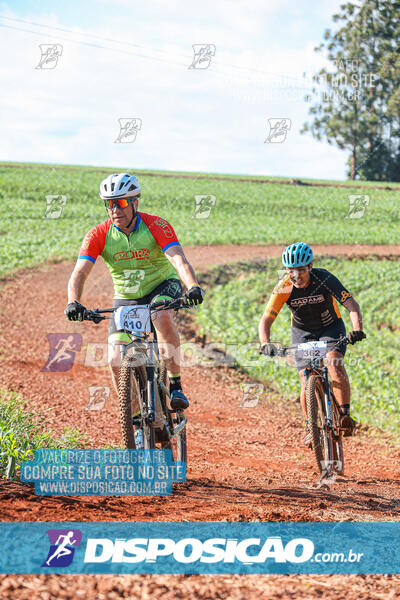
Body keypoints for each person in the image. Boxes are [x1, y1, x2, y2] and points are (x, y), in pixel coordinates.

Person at [65, 172, 204, 414]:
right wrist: (73, 301)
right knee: (114, 360)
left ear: (134, 203)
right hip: (126, 296)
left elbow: (179, 260)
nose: (114, 210)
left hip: (162, 286)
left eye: (119, 203)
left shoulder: (156, 225)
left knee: (161, 316)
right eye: (109, 204)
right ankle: (137, 420)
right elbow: (79, 272)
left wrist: (192, 286)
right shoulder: (98, 234)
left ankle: (175, 385)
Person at [258, 241, 365, 446]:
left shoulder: (324, 278)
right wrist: (265, 343)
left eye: (300, 270)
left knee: (334, 362)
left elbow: (351, 305)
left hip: (331, 328)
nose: (296, 276)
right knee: (304, 374)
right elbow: (266, 319)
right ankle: (310, 427)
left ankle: (344, 415)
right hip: (302, 332)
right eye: (291, 270)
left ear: (310, 266)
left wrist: (357, 329)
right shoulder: (285, 286)